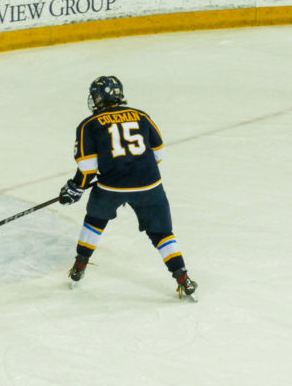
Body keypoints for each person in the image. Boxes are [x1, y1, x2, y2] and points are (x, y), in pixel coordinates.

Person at [57, 76, 198, 300]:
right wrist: (135, 169)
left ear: (99, 98)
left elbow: (88, 169)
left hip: (111, 187)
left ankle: (79, 265)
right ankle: (182, 277)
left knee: (95, 220)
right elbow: (159, 154)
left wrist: (75, 188)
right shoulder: (142, 116)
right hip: (150, 185)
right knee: (161, 233)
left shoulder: (88, 125)